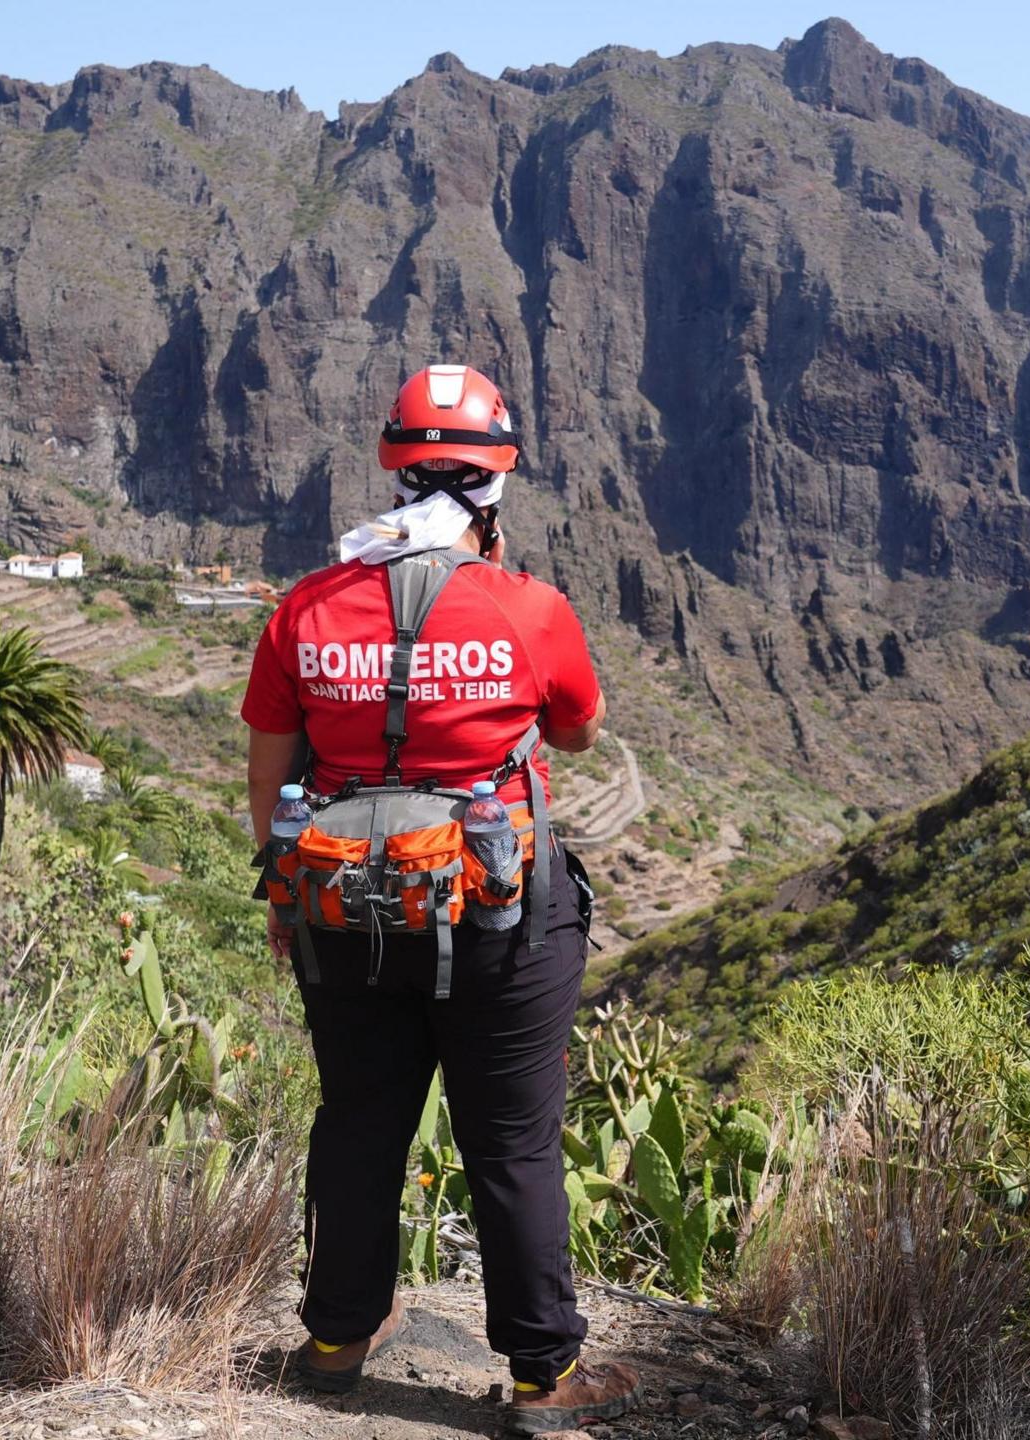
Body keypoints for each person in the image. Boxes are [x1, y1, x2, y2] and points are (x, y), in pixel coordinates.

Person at [240, 364, 643, 1434]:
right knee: (510, 1140)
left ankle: (333, 1340)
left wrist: (288, 901)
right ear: (497, 486)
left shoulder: (306, 610)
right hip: (500, 909)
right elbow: (575, 732)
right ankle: (541, 1380)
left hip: (341, 907)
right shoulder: (531, 610)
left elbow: (270, 769)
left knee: (360, 1120)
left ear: (390, 470)